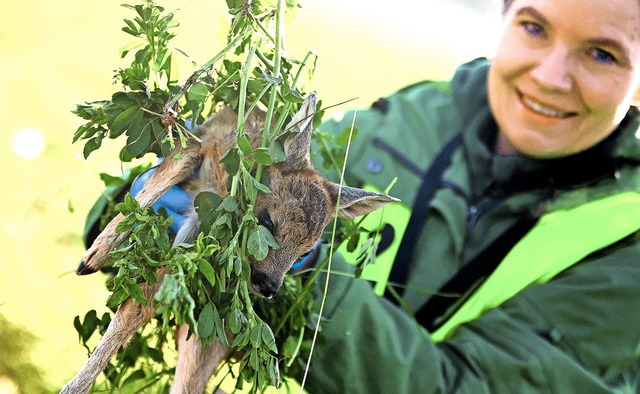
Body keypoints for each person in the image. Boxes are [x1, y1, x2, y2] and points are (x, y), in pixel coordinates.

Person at [87, 0, 640, 392]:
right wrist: (142, 210)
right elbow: (246, 177)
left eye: (602, 55)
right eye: (535, 27)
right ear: (504, 18)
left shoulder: (628, 240)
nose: (549, 75)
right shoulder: (412, 118)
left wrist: (301, 271)